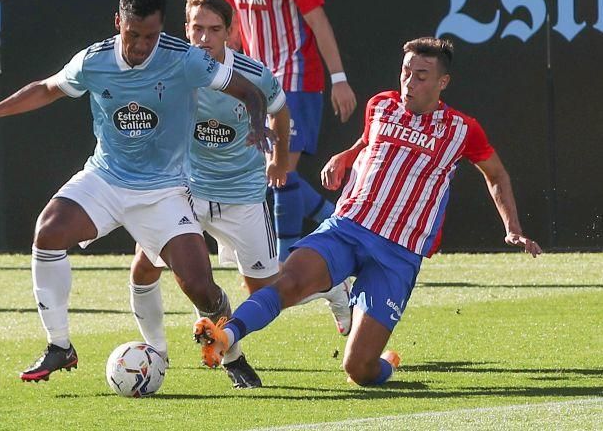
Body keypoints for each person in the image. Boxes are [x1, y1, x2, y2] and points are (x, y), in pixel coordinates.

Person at [0, 0, 273, 383]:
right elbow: (47, 88)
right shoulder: (94, 60)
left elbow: (251, 93)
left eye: (151, 36)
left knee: (199, 288)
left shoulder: (186, 59)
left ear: (162, 29)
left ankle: (233, 357)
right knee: (48, 232)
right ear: (117, 21)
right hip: (106, 178)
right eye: (133, 34)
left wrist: (258, 124)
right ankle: (59, 346)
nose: (140, 45)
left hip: (164, 191)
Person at [193, 37, 543, 386]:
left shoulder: (462, 130)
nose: (410, 81)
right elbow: (368, 141)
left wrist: (511, 226)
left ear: (442, 82)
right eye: (406, 72)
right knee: (289, 281)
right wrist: (345, 155)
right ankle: (228, 335)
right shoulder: (381, 105)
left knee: (359, 369)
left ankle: (387, 363)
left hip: (398, 253)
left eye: (421, 76)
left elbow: (496, 173)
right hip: (348, 227)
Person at [128, 0, 352, 389]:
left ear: (230, 33)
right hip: (187, 193)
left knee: (267, 294)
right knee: (144, 267)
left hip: (241, 198)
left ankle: (330, 289)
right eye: (196, 28)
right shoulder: (170, 68)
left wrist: (281, 159)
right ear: (185, 28)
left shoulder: (252, 74)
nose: (203, 38)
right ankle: (156, 352)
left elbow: (281, 112)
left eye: (214, 29)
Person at [223, 0, 358, 264]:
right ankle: (343, 227)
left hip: (295, 78)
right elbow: (233, 24)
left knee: (281, 171)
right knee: (271, 173)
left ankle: (285, 262)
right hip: (256, 81)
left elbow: (317, 20)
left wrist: (339, 79)